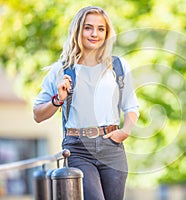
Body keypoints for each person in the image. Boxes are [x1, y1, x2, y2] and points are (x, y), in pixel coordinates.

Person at [33, 6, 139, 200]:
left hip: (112, 146)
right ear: (78, 30)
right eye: (88, 28)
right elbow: (38, 115)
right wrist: (58, 100)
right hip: (78, 148)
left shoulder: (118, 66)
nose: (94, 34)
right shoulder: (62, 70)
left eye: (101, 29)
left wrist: (125, 131)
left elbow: (131, 107)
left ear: (107, 34)